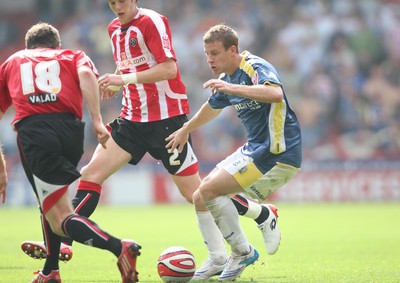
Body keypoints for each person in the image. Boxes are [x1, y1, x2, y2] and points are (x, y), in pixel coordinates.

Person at [20, 0, 277, 269]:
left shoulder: (151, 22)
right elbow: (128, 64)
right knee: (90, 175)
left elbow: (169, 69)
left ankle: (261, 212)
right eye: (111, 3)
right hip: (131, 120)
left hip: (167, 122)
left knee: (196, 194)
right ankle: (63, 242)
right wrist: (117, 80)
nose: (116, 7)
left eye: (121, 2)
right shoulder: (113, 29)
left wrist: (124, 79)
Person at [0, 22, 141, 283]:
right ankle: (50, 271)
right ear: (57, 46)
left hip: (36, 131)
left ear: (28, 47)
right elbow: (88, 76)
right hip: (71, 131)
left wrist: (1, 169)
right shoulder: (72, 55)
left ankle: (120, 247)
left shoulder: (15, 60)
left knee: (60, 217)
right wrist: (97, 121)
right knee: (50, 203)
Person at [165, 24, 302, 281]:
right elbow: (211, 107)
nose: (210, 59)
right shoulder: (227, 79)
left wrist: (232, 89)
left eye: (215, 53)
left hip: (279, 152)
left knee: (209, 192)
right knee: (200, 196)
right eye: (207, 54)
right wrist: (185, 129)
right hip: (256, 149)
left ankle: (242, 252)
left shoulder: (253, 66)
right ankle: (219, 257)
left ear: (233, 50)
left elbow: (275, 93)